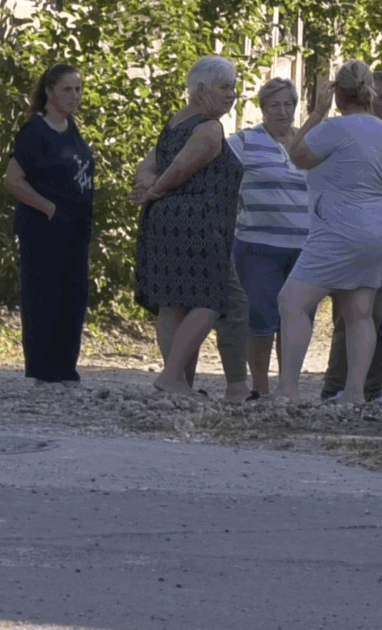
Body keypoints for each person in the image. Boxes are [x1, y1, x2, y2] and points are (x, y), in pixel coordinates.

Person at [273, 61, 382, 404]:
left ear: (337, 94)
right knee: (359, 311)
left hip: (340, 228)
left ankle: (288, 388)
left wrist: (317, 113)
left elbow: (296, 155)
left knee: (292, 302)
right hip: (381, 229)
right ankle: (354, 392)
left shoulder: (333, 128)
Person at [132, 56, 244, 396]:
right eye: (224, 87)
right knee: (209, 301)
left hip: (164, 222)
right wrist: (156, 188)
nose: (232, 94)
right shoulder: (209, 128)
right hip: (198, 225)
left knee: (172, 303)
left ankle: (178, 381)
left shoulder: (173, 124)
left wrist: (148, 187)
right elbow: (181, 168)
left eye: (233, 87)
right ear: (200, 91)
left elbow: (146, 166)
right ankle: (171, 376)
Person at [320, 69, 382, 401]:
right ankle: (337, 387)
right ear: (368, 98)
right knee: (357, 314)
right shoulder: (352, 133)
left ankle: (373, 387)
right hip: (359, 236)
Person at [3, 65, 95, 385]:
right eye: (67, 89)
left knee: (74, 295)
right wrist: (49, 207)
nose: (74, 96)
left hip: (76, 228)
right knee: (43, 296)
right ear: (49, 91)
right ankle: (42, 368)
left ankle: (65, 367)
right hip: (43, 229)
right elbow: (13, 180)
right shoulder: (35, 132)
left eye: (78, 90)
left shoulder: (71, 127)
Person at [229, 78, 309, 399]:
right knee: (261, 321)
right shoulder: (245, 141)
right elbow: (212, 163)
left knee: (296, 320)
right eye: (274, 105)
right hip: (258, 247)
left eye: (288, 104)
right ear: (262, 109)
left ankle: (288, 386)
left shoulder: (307, 142)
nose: (282, 111)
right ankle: (260, 387)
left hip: (305, 249)